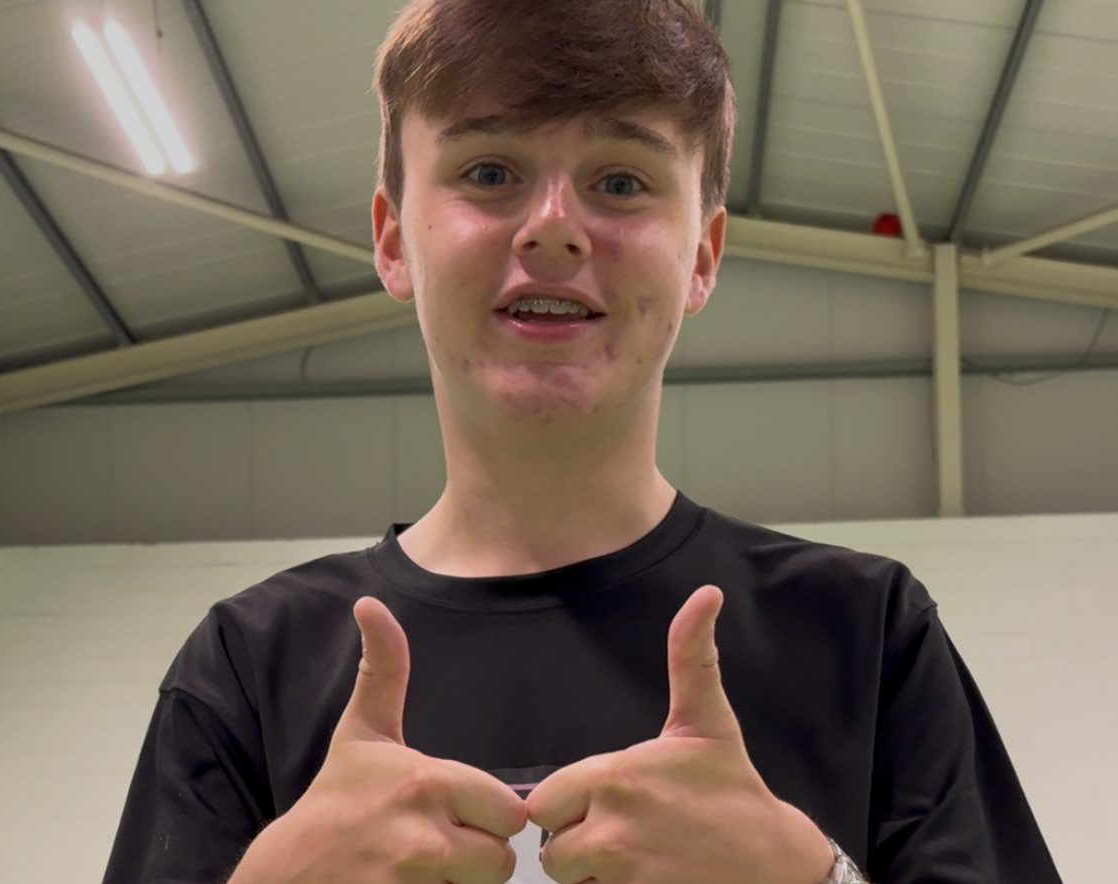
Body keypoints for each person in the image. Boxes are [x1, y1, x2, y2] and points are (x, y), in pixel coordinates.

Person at [102, 1, 1064, 882]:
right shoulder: (246, 667)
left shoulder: (864, 634)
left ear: (701, 254)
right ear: (393, 240)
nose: (553, 229)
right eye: (489, 172)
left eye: (619, 180)